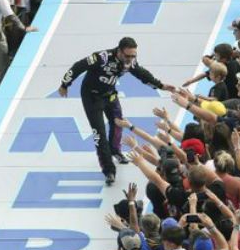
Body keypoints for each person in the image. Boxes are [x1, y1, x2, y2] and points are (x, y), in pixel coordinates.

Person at [58, 37, 175, 185]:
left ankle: (115, 150)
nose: (130, 59)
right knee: (99, 134)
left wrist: (160, 85)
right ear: (119, 51)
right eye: (127, 56)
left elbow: (141, 73)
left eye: (134, 56)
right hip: (92, 96)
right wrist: (64, 84)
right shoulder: (102, 57)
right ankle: (109, 171)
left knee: (118, 124)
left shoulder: (130, 61)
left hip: (110, 95)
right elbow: (78, 67)